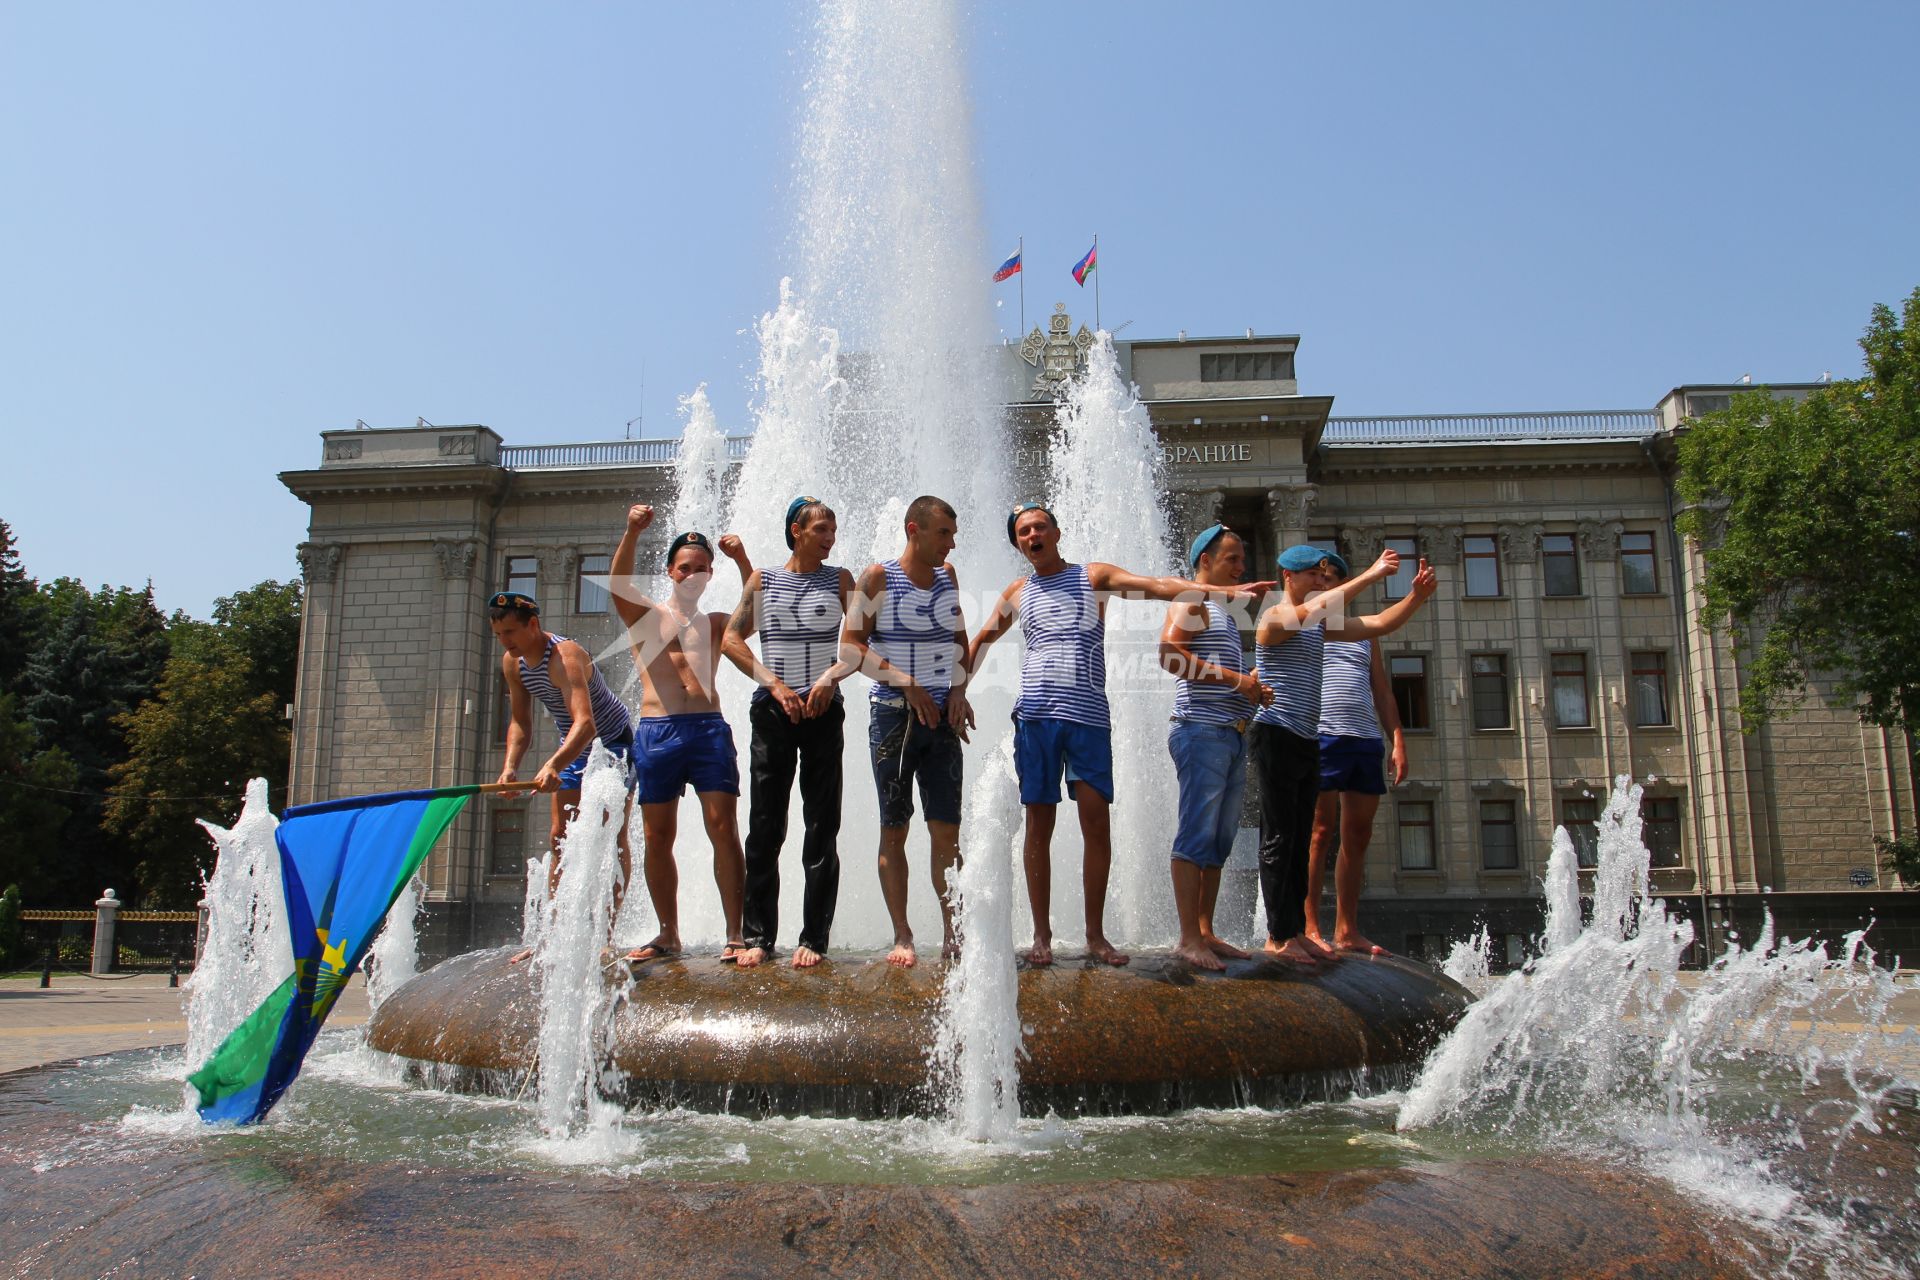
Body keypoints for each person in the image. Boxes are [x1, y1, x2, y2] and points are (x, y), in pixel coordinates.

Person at [969, 503, 1271, 967]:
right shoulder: (1017, 591)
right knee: (1038, 826)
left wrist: (1213, 590)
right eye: (1024, 531)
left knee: (1096, 824)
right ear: (1017, 543)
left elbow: (1155, 587)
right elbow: (983, 640)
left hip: (1088, 718)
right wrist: (955, 691)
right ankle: (1042, 936)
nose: (1034, 535)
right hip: (1036, 717)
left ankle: (1095, 934)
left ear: (1056, 531)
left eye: (1040, 527)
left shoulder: (1092, 577)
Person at [1250, 544, 1435, 969]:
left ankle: (1295, 929)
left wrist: (1416, 598)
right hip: (1276, 734)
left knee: (1297, 839)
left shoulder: (1321, 627)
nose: (1319, 582)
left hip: (1304, 740)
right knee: (1281, 838)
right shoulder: (1276, 616)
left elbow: (1377, 623)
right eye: (1312, 575)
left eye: (1323, 576)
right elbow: (1317, 610)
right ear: (1287, 577)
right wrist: (1370, 576)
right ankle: (1278, 936)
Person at [608, 504, 753, 964]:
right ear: (671, 571)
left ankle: (736, 931)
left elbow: (760, 613)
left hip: (708, 728)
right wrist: (632, 531)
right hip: (657, 730)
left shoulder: (714, 623)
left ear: (710, 574)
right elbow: (618, 585)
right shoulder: (648, 617)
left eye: (701, 569)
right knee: (657, 836)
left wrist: (744, 559)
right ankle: (668, 932)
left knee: (723, 828)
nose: (692, 574)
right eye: (684, 567)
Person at [836, 494, 975, 967]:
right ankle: (903, 934)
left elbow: (960, 643)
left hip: (941, 719)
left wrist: (958, 691)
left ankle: (953, 932)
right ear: (914, 530)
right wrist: (906, 681)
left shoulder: (947, 578)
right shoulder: (877, 578)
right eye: (944, 534)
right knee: (894, 828)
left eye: (953, 535)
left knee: (947, 832)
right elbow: (851, 650)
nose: (951, 545)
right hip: (893, 718)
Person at [720, 496, 855, 970]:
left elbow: (858, 646)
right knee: (765, 826)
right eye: (821, 528)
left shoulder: (841, 581)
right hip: (773, 712)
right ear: (797, 531)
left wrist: (828, 678)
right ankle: (758, 936)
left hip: (823, 710)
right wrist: (774, 685)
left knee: (822, 825)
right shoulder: (765, 580)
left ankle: (814, 938)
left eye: (832, 530)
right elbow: (731, 640)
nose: (830, 537)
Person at [488, 590, 637, 963]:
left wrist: (553, 764)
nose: (505, 642)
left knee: (610, 835)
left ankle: (605, 933)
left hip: (614, 744)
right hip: (574, 746)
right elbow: (520, 723)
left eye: (510, 632)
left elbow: (586, 724)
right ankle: (552, 936)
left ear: (533, 624)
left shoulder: (564, 656)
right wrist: (509, 768)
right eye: (499, 635)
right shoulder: (513, 663)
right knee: (559, 838)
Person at [1156, 524, 1274, 971]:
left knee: (1219, 838)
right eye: (1232, 560)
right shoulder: (1192, 600)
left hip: (1229, 733)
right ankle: (1189, 937)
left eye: (1243, 560)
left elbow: (1215, 669)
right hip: (1199, 731)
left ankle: (1205, 930)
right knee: (1196, 833)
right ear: (1205, 561)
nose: (1242, 568)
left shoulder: (1222, 612)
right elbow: (1168, 655)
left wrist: (1252, 688)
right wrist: (1236, 679)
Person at [1306, 610, 1408, 957]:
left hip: (1364, 738)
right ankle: (1309, 927)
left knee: (1358, 834)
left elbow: (1380, 689)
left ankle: (1346, 929)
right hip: (1321, 735)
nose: (1326, 586)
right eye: (1319, 579)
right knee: (1320, 830)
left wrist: (1397, 739)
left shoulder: (1365, 632)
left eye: (1333, 579)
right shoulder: (1301, 622)